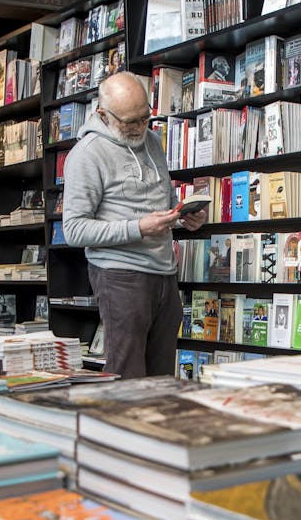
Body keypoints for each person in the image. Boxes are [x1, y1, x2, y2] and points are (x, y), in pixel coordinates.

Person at [62, 72, 205, 378]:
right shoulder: (86, 155)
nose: (140, 127)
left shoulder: (152, 140)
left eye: (145, 117)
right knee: (127, 376)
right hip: (120, 276)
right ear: (103, 114)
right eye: (130, 122)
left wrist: (184, 216)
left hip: (164, 272)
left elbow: (161, 202)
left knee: (162, 378)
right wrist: (137, 228)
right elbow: (74, 230)